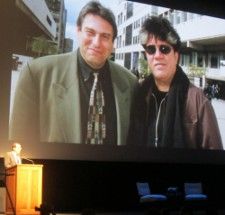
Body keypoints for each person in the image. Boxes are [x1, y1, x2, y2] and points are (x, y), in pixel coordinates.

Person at [9, 1, 137, 145]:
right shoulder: (36, 74)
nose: (96, 42)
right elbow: (18, 143)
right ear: (78, 31)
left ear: (113, 42)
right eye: (90, 32)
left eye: (105, 36)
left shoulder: (130, 82)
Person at [129, 16, 223, 149]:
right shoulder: (139, 92)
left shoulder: (198, 100)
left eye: (164, 49)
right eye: (151, 49)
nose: (157, 55)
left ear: (176, 55)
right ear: (146, 55)